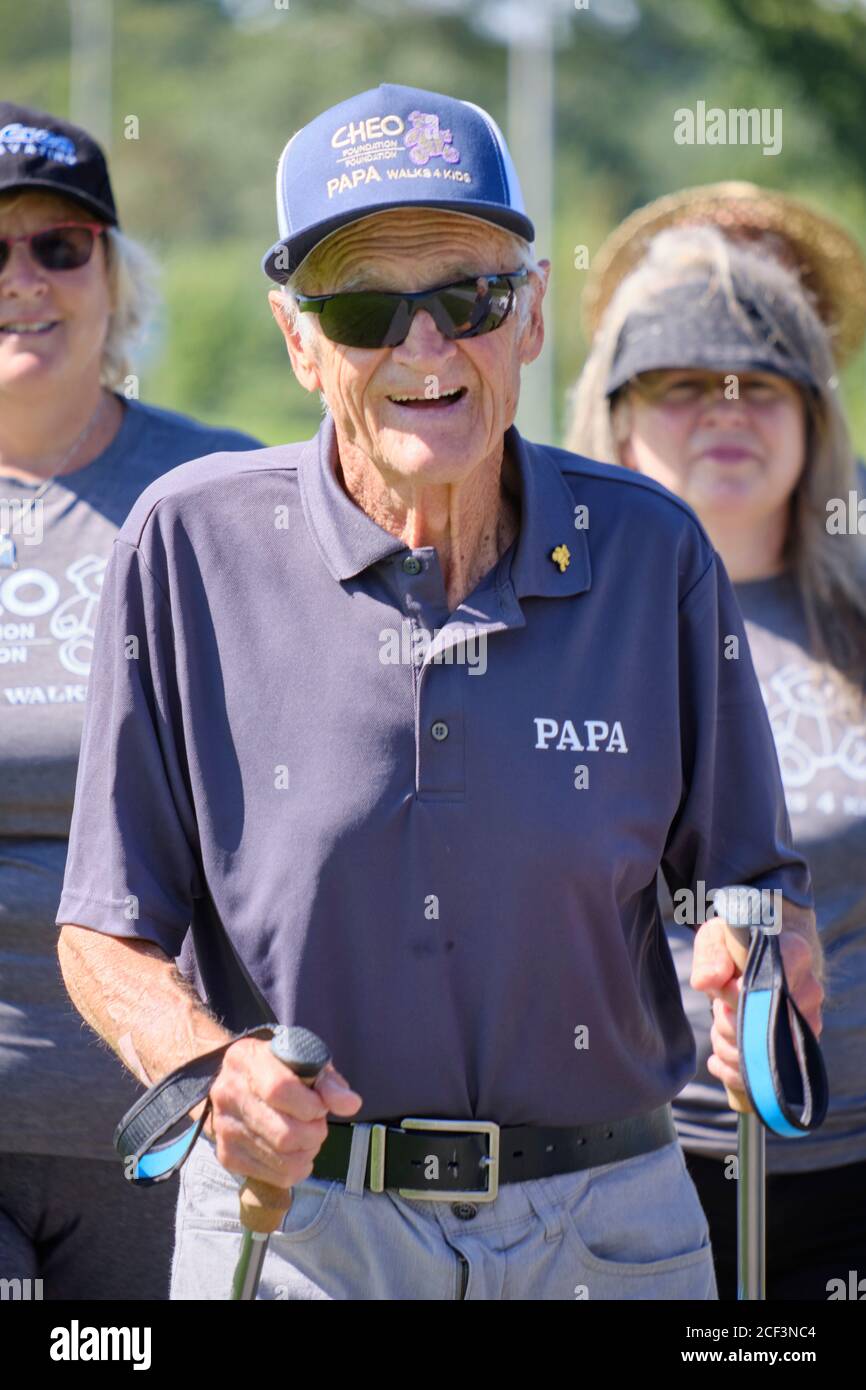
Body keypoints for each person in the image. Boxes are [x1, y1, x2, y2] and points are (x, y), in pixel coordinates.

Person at [55, 85, 823, 1302]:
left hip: (610, 1226)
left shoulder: (652, 550)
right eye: (366, 308)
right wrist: (208, 1068)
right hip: (300, 1230)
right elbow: (105, 929)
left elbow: (741, 880)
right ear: (297, 338)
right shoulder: (189, 545)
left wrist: (758, 947)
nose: (424, 350)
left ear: (525, 317)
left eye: (466, 297)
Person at [567, 196, 866, 1300]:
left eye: (759, 380)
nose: (723, 409)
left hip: (848, 1176)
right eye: (681, 382)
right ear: (615, 411)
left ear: (812, 412)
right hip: (617, 1175)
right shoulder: (555, 622)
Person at [0, 102, 261, 1300]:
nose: (27, 278)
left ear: (115, 277)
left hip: (172, 1112)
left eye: (62, 244)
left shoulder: (221, 493)